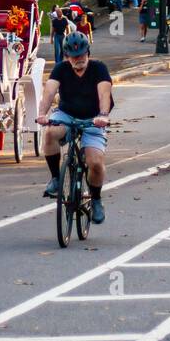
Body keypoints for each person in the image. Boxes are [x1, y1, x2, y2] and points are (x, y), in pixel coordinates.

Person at [38, 30, 113, 223]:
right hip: (67, 115)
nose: (78, 59)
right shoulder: (61, 69)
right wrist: (42, 114)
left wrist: (103, 115)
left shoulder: (99, 68)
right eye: (73, 56)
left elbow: (104, 93)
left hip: (93, 118)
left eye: (81, 55)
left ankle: (96, 199)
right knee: (49, 134)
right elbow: (49, 92)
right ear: (66, 57)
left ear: (88, 52)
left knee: (95, 163)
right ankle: (56, 178)